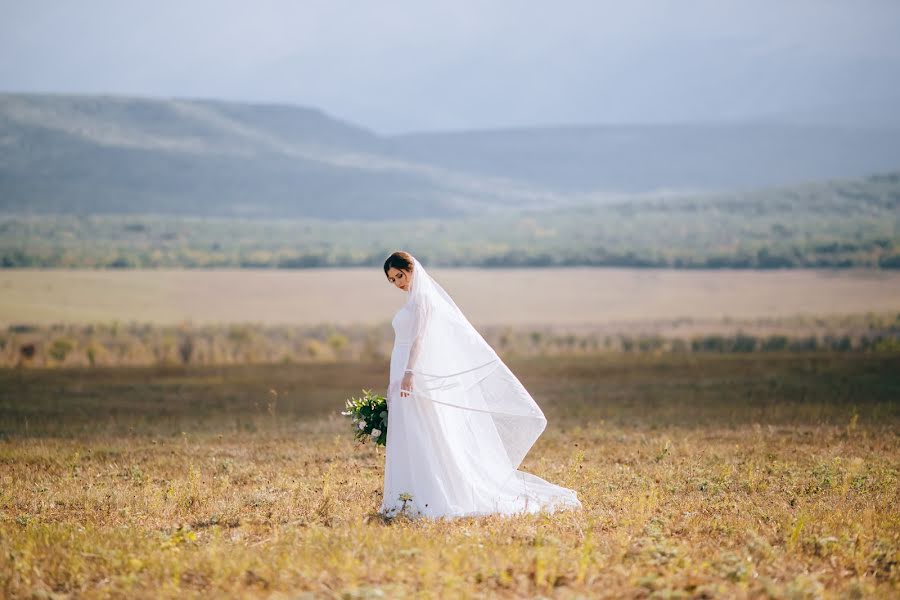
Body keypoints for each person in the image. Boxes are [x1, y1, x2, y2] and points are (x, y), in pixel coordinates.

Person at [379, 250, 582, 520]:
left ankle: (434, 494)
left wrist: (409, 372)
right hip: (402, 375)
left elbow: (420, 340)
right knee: (411, 433)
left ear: (412, 269)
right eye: (392, 280)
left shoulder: (424, 300)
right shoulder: (411, 302)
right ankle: (407, 497)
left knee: (426, 433)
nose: (398, 283)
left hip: (411, 373)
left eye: (400, 275)